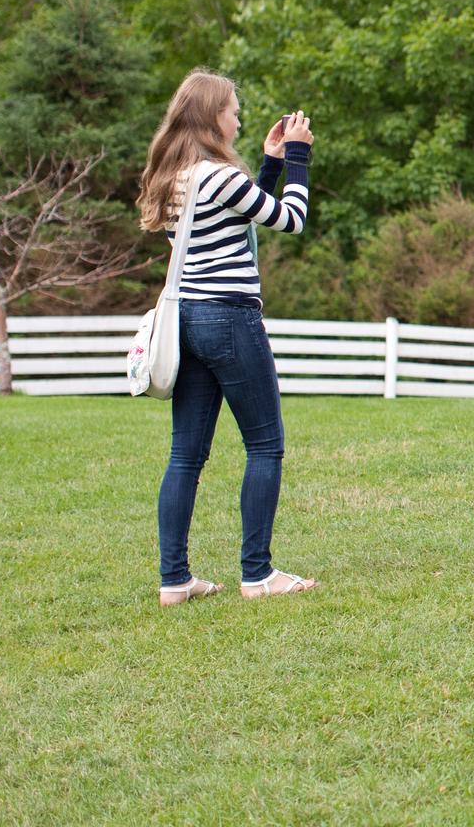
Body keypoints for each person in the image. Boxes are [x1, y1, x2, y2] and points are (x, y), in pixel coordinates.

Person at [135, 69, 317, 606]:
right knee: (265, 445)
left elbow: (241, 220)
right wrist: (301, 158)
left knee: (186, 455)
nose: (238, 117)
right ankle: (258, 575)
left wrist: (271, 163)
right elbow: (289, 220)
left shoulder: (177, 177)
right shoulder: (219, 174)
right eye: (234, 109)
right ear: (213, 115)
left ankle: (175, 580)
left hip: (187, 320)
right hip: (230, 319)